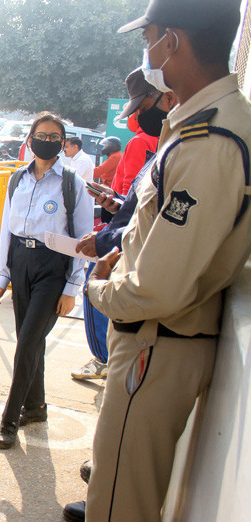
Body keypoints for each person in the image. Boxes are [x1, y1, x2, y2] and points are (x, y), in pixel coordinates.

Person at [63, 0, 251, 520]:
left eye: (148, 40)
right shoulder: (200, 127)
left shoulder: (210, 139)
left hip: (155, 341)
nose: (147, 53)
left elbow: (157, 288)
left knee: (117, 505)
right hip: (162, 341)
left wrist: (98, 288)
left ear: (173, 39)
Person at [0, 112, 93, 449]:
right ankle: (35, 407)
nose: (46, 141)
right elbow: (6, 228)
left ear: (63, 144)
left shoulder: (71, 184)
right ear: (29, 138)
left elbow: (82, 238)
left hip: (53, 267)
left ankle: (9, 420)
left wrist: (71, 288)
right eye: (40, 134)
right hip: (20, 261)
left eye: (54, 136)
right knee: (30, 340)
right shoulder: (18, 179)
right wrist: (3, 274)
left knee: (27, 343)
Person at [70, 69, 177, 381]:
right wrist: (115, 203)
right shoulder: (162, 148)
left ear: (166, 98)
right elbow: (139, 201)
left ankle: (104, 358)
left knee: (98, 285)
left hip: (131, 255)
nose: (140, 117)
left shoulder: (171, 150)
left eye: (143, 108)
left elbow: (152, 222)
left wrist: (105, 240)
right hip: (124, 234)